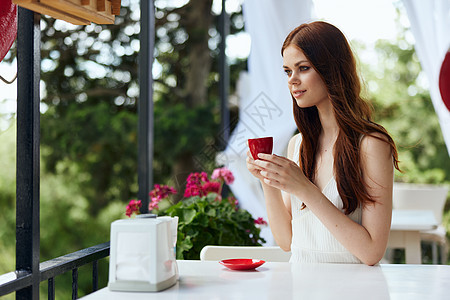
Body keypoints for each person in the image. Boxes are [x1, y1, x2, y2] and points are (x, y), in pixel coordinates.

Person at [246, 21, 400, 265]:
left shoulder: (371, 145)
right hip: (301, 286)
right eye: (287, 71)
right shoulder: (298, 145)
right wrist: (269, 182)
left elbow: (372, 252)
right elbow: (287, 241)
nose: (292, 80)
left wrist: (305, 188)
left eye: (303, 68)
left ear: (332, 70)